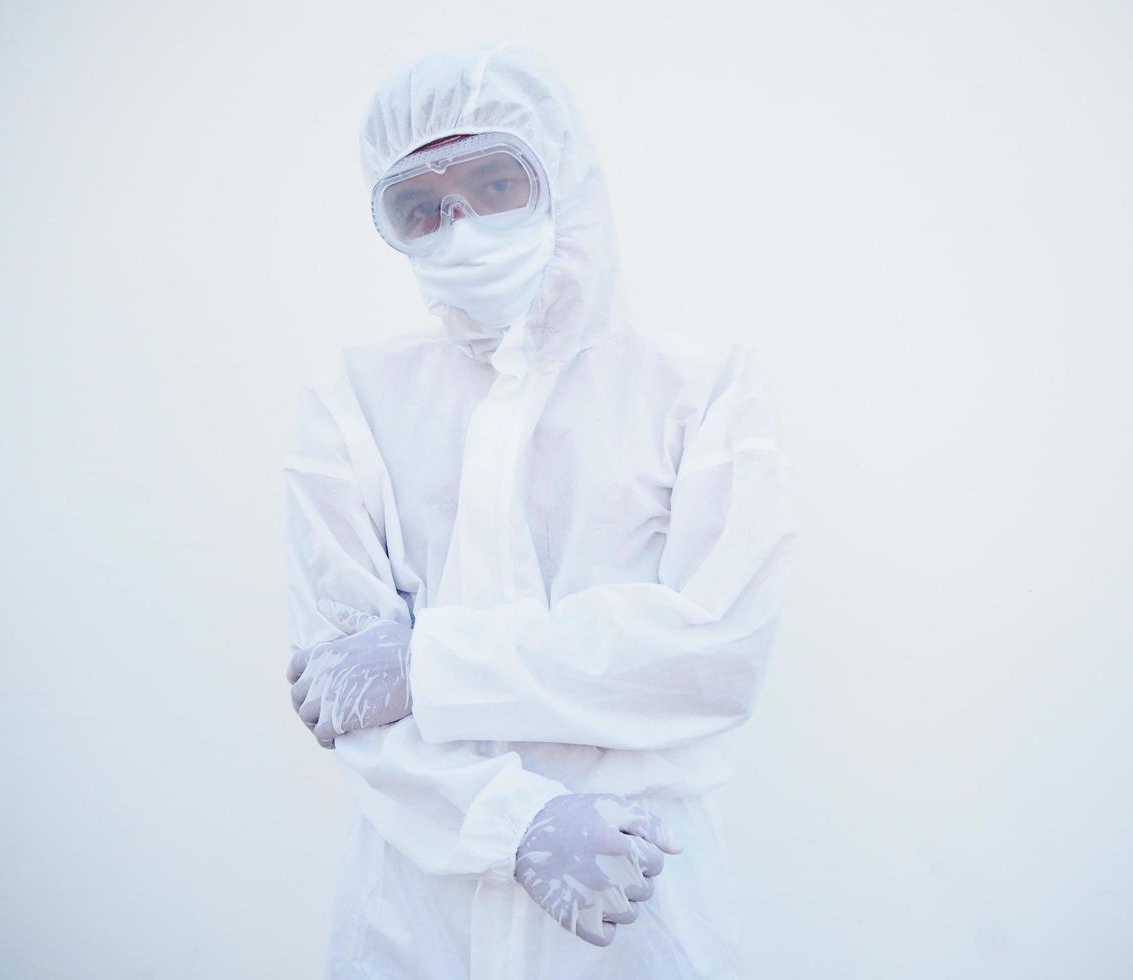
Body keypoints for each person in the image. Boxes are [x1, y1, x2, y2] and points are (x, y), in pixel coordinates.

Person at [282, 39, 797, 979]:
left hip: (636, 890)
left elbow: (715, 650)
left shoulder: (701, 387)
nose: (460, 227)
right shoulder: (351, 403)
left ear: (562, 174)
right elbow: (344, 697)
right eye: (419, 208)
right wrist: (509, 823)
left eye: (493, 183)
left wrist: (427, 660)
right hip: (413, 908)